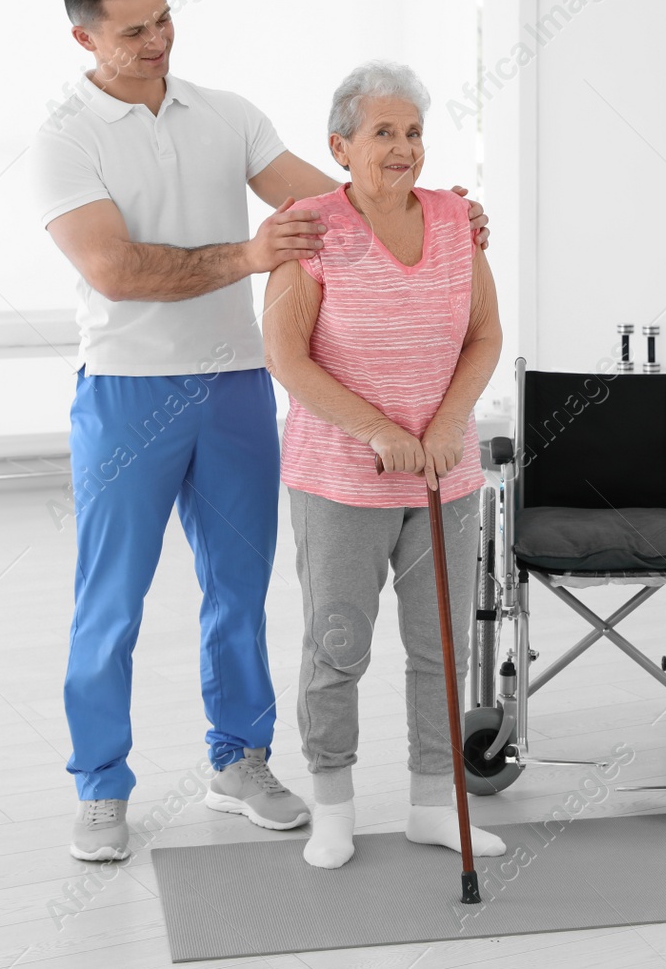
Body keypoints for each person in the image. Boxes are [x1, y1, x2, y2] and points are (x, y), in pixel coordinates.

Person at [30, 0, 490, 862]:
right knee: (110, 603)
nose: (159, 39)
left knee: (237, 596)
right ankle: (100, 784)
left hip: (238, 386)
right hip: (127, 391)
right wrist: (246, 257)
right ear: (85, 36)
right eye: (135, 29)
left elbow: (334, 205)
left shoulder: (226, 114)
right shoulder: (65, 136)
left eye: (165, 17)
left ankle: (239, 759)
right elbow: (115, 269)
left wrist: (440, 211)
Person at [263, 61, 504, 869]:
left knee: (441, 646)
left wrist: (446, 422)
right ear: (340, 145)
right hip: (340, 477)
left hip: (445, 474)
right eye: (383, 133)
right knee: (338, 644)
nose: (403, 149)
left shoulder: (456, 221)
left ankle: (433, 803)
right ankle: (333, 806)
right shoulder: (312, 227)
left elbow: (484, 336)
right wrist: (375, 429)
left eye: (413, 133)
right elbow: (285, 355)